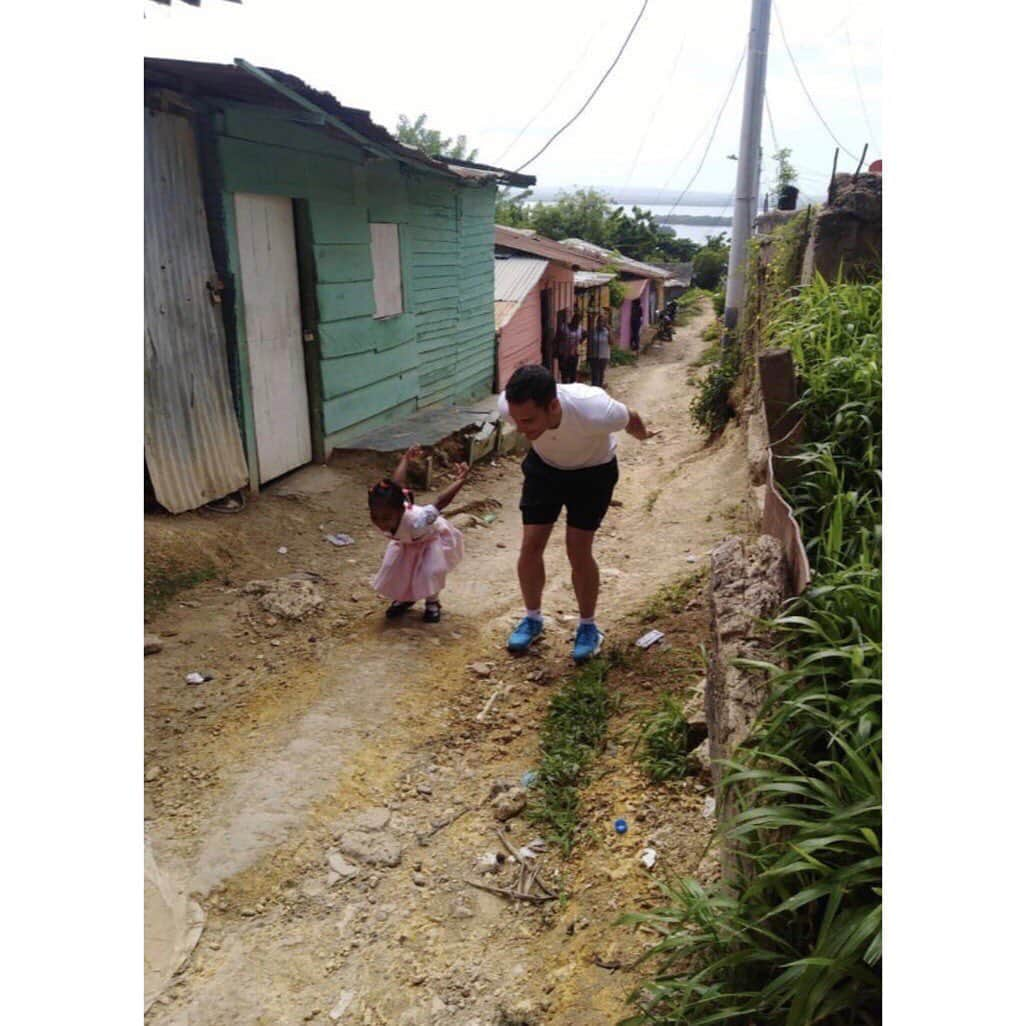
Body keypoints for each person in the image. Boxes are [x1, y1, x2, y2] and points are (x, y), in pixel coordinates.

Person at [498, 365, 657, 663]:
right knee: (531, 544)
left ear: (553, 405)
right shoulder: (510, 406)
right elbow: (521, 419)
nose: (521, 428)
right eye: (517, 420)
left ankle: (588, 627)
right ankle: (532, 619)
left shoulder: (594, 410)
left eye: (529, 420)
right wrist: (527, 423)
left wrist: (645, 435)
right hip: (544, 470)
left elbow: (630, 416)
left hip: (593, 474)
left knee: (578, 549)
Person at [368, 447, 468, 623]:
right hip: (407, 543)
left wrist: (460, 480)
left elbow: (440, 502)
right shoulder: (390, 509)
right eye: (375, 516)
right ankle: (405, 597)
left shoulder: (418, 520)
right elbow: (397, 484)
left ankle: (432, 602)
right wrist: (405, 459)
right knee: (397, 571)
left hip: (430, 540)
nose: (380, 522)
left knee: (430, 572)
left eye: (386, 518)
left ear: (400, 511)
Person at [557, 311, 583, 384]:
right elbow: (557, 338)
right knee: (564, 375)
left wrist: (580, 343)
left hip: (574, 355)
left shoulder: (580, 329)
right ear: (572, 319)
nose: (576, 322)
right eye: (575, 320)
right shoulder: (564, 327)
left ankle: (572, 389)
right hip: (564, 354)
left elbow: (583, 336)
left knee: (573, 375)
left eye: (578, 321)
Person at [587, 313, 611, 387]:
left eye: (602, 321)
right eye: (599, 321)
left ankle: (600, 390)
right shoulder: (593, 331)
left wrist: (610, 331)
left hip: (604, 356)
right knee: (595, 376)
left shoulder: (606, 332)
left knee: (601, 375)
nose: (601, 323)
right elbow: (589, 340)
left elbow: (611, 342)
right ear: (597, 322)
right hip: (594, 356)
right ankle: (595, 390)